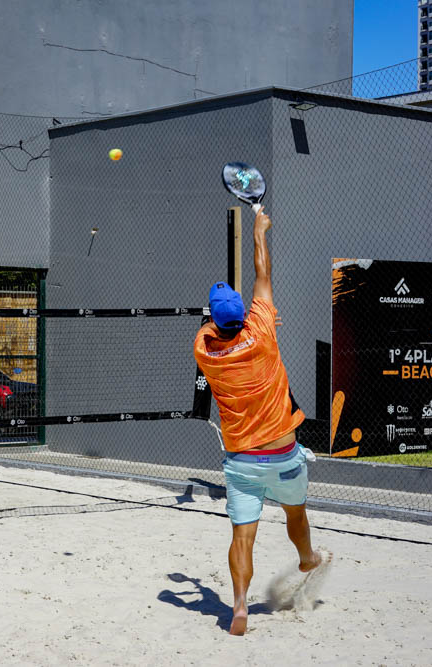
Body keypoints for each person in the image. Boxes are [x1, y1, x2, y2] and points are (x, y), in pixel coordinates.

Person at [193, 205, 331, 636]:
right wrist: (259, 229)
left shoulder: (204, 350)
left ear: (215, 322)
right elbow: (262, 273)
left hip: (242, 463)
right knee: (296, 514)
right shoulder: (264, 330)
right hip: (284, 454)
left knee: (242, 538)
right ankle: (307, 557)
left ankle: (238, 606)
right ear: (248, 316)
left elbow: (210, 328)